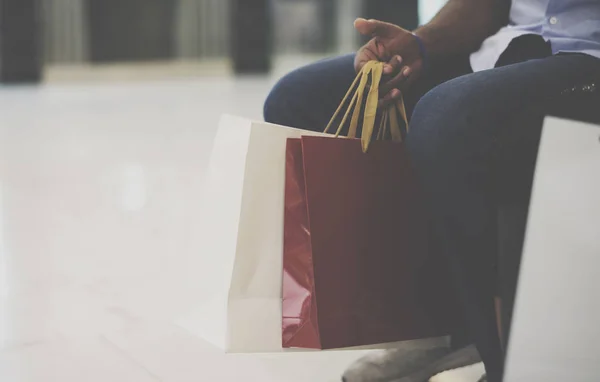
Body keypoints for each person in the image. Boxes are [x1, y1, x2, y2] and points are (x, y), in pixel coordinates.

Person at [264, 1, 600, 381]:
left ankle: (505, 364)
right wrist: (419, 45)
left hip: (588, 56)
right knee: (299, 101)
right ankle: (444, 330)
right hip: (508, 44)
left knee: (446, 122)